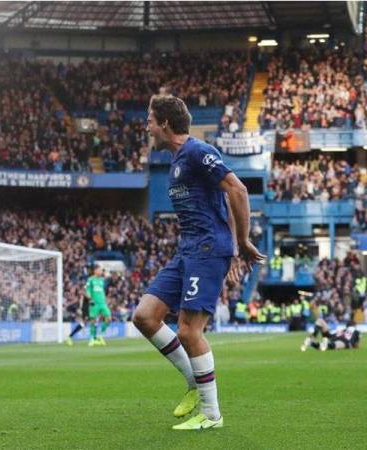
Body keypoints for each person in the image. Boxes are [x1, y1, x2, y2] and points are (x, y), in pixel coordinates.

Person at [132, 95, 265, 430]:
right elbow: (221, 198)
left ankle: (211, 413)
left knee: (189, 331)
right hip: (188, 249)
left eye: (150, 120)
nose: (146, 127)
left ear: (164, 123)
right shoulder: (179, 159)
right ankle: (195, 381)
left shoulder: (196, 151)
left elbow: (237, 189)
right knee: (145, 317)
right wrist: (234, 243)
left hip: (206, 249)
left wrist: (242, 241)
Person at [85, 264, 112, 346]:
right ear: (95, 271)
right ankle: (92, 338)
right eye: (99, 270)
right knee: (93, 321)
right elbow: (87, 290)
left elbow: (108, 280)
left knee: (109, 318)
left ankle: (101, 335)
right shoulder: (90, 280)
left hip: (103, 303)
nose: (101, 271)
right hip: (95, 303)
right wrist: (90, 298)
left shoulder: (102, 280)